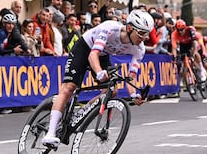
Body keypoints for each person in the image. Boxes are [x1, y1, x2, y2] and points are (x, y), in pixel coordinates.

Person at [41, 10, 154, 148]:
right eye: (142, 33)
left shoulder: (139, 49)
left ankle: (81, 114)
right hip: (85, 49)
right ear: (130, 28)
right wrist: (99, 72)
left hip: (103, 55)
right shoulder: (110, 28)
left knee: (112, 91)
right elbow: (92, 55)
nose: (144, 37)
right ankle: (50, 133)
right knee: (69, 87)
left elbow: (131, 77)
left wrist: (134, 95)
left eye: (147, 33)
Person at [171, 19, 207, 93]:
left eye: (181, 30)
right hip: (183, 45)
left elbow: (195, 43)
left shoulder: (190, 30)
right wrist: (174, 58)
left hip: (192, 42)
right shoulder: (174, 34)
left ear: (185, 28)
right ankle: (190, 84)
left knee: (196, 53)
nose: (180, 32)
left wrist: (194, 53)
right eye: (178, 30)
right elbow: (174, 48)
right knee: (185, 62)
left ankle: (201, 70)